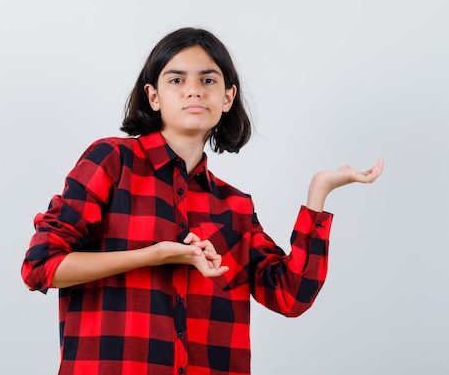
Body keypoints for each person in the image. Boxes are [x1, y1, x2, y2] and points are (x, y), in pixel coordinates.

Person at [21, 27, 384, 375]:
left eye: (208, 80)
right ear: (153, 96)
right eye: (177, 80)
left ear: (227, 97)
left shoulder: (235, 206)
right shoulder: (112, 161)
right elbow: (40, 267)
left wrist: (317, 195)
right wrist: (156, 255)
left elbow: (290, 296)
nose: (193, 90)